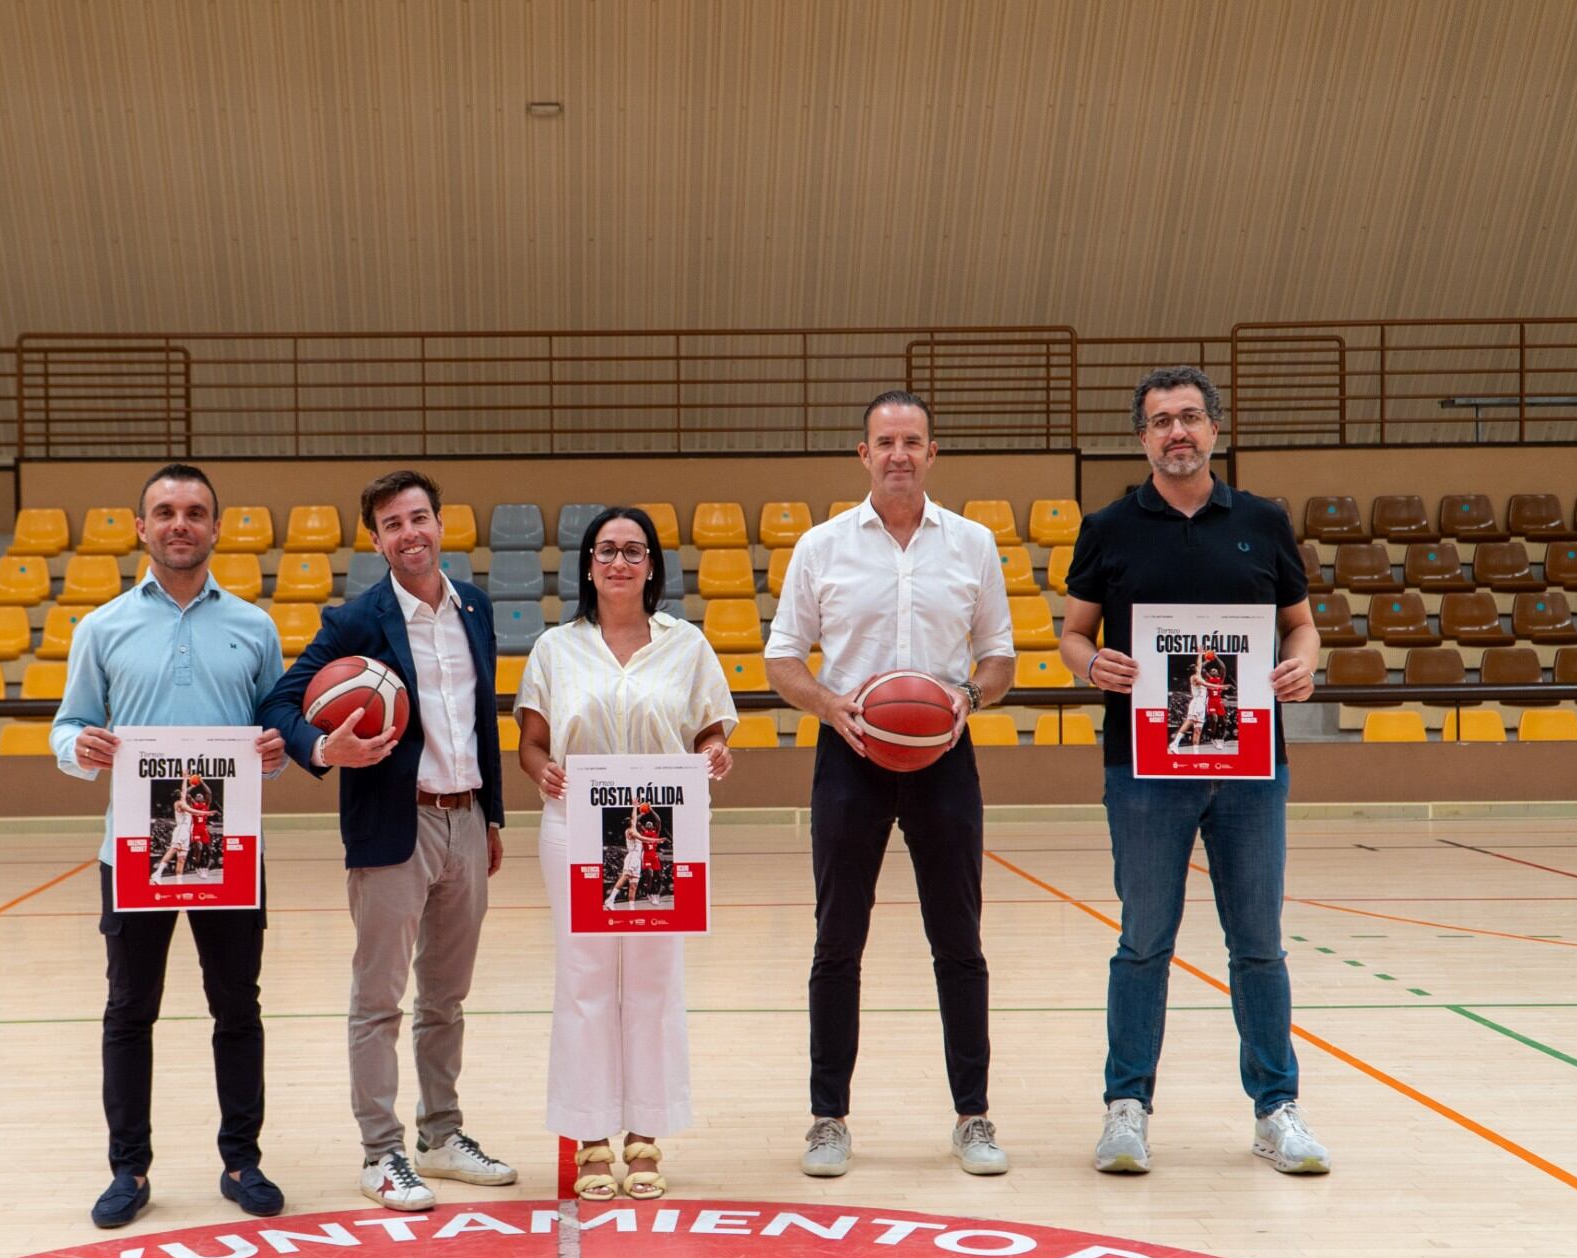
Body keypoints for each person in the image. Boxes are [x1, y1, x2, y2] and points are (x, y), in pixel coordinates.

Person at [1057, 365, 1327, 1176]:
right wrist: (1090, 663)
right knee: (1144, 940)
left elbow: (1302, 626)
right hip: (1143, 769)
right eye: (1159, 421)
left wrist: (1305, 665)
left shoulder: (1263, 521)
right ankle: (1126, 1107)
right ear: (1141, 438)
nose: (1176, 432)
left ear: (1214, 427)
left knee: (1258, 943)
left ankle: (1277, 1108)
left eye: (1189, 417)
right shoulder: (1109, 526)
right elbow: (1072, 633)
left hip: (1249, 767)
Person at [765, 390, 1016, 1179]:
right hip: (851, 753)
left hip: (944, 757)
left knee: (959, 940)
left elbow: (1000, 656)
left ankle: (973, 1116)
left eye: (912, 440)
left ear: (932, 453)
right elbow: (781, 659)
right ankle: (828, 1118)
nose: (899, 452)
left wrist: (965, 699)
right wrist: (828, 703)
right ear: (863, 453)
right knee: (838, 940)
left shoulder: (973, 543)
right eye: (885, 440)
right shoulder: (821, 545)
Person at [258, 469, 515, 1212]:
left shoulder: (475, 606)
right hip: (392, 825)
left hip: (464, 819)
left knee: (448, 997)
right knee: (379, 999)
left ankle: (442, 1132)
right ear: (376, 540)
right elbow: (280, 698)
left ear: (441, 523)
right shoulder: (356, 620)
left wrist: (491, 814)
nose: (410, 533)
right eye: (393, 524)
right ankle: (381, 1151)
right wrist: (319, 746)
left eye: (419, 517)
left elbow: (478, 719)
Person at [51, 462, 289, 1229]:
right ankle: (129, 1168)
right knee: (129, 1010)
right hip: (132, 852)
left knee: (236, 1008)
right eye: (165, 511)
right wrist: (76, 748)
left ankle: (241, 1158)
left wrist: (279, 748)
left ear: (217, 528)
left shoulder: (255, 626)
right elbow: (67, 722)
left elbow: (276, 724)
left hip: (230, 849)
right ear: (141, 527)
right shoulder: (103, 626)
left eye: (194, 511)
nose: (179, 523)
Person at [516, 506, 735, 1201]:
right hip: (575, 824)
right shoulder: (554, 647)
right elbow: (531, 741)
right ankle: (588, 1132)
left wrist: (714, 753)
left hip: (660, 826)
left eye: (632, 550)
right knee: (583, 978)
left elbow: (709, 732)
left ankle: (645, 1131)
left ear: (651, 565)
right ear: (587, 563)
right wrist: (540, 769)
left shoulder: (687, 644)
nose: (618, 561)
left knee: (651, 978)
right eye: (606, 549)